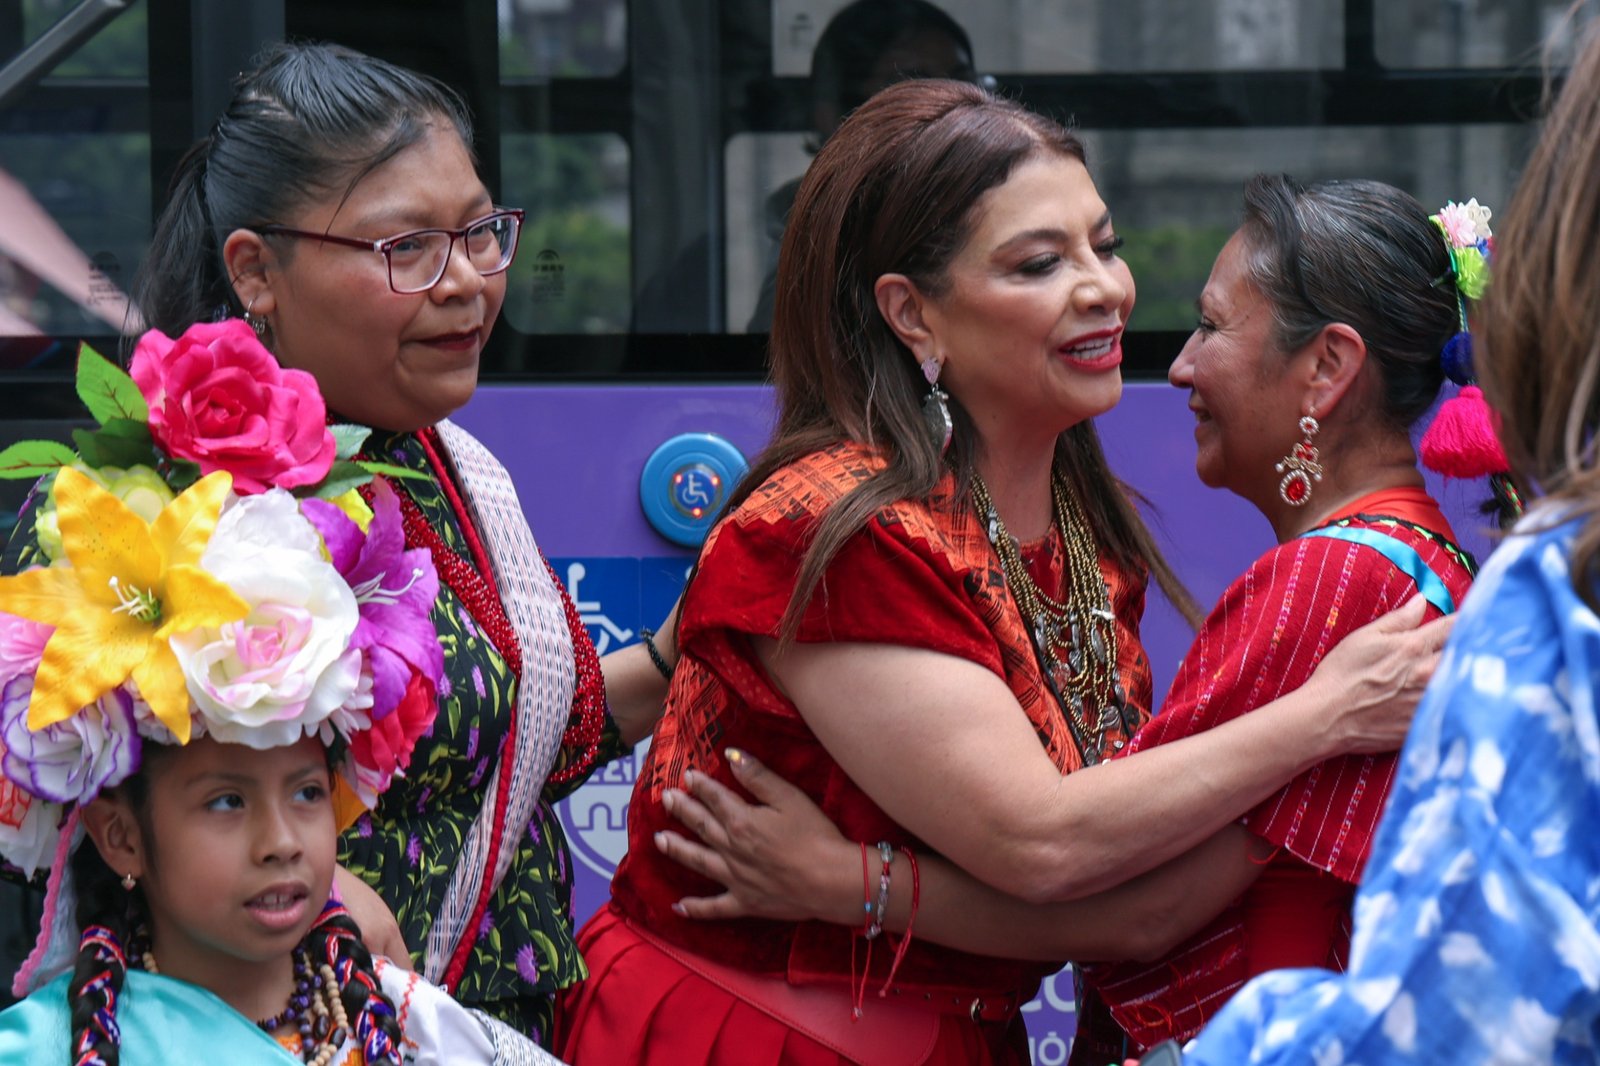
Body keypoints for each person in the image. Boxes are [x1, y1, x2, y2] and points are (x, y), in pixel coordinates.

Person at [556, 77, 1452, 1065]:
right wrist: (1326, 714)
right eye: (1039, 263)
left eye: (1104, 245)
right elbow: (1044, 843)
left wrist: (852, 881)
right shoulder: (843, 530)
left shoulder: (1085, 534)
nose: (1105, 288)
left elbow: (1127, 898)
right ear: (913, 315)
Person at [2, 42, 670, 1044]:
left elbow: (528, 741)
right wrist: (308, 896)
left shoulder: (453, 472)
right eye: (408, 247)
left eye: (480, 232)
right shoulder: (147, 497)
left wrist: (692, 643)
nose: (466, 282)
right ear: (255, 271)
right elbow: (55, 806)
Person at [1135, 16, 1600, 1065]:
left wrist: (858, 886)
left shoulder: (1329, 578)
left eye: (1209, 325)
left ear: (1326, 370)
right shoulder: (1413, 554)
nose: (1179, 366)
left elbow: (1131, 898)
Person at [0, 322, 561, 1062]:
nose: (282, 843)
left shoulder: (419, 1030)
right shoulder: (44, 1047)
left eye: (306, 793)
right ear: (121, 837)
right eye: (226, 802)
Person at [744, 0, 979, 332]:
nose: (953, 112)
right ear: (833, 115)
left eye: (963, 83)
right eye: (912, 89)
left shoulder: (999, 210)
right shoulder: (813, 242)